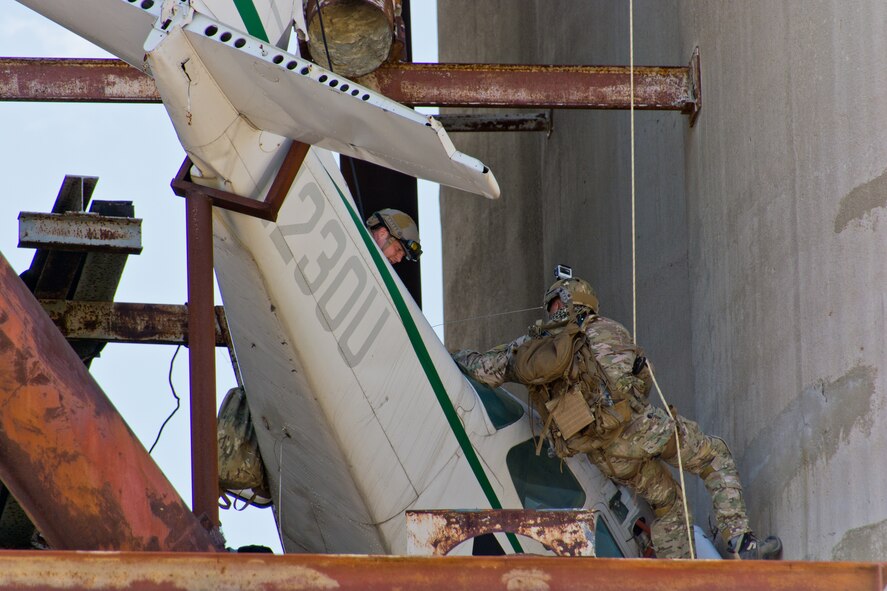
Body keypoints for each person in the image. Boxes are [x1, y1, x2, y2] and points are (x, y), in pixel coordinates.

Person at [452, 273, 782, 560]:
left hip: (605, 456)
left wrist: (453, 356)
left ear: (554, 304)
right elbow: (637, 385)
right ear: (586, 302)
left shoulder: (530, 348)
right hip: (640, 431)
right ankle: (741, 542)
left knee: (667, 502)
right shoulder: (603, 329)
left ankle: (680, 577)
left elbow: (484, 369)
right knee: (713, 456)